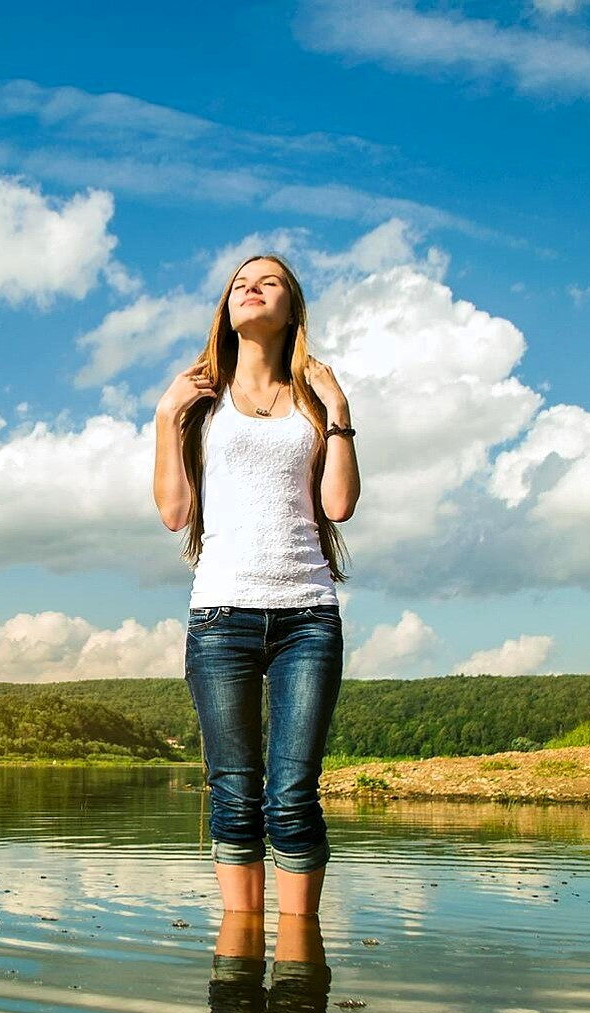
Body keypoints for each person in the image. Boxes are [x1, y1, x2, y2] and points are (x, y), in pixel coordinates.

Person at [151, 254, 360, 915]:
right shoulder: (200, 404)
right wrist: (164, 417)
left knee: (294, 794)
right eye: (240, 283)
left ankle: (300, 960)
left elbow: (339, 506)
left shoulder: (313, 401)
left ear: (290, 308)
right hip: (220, 618)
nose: (250, 288)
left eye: (266, 282)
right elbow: (175, 513)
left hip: (307, 619)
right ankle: (237, 957)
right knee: (235, 794)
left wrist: (340, 412)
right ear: (227, 309)